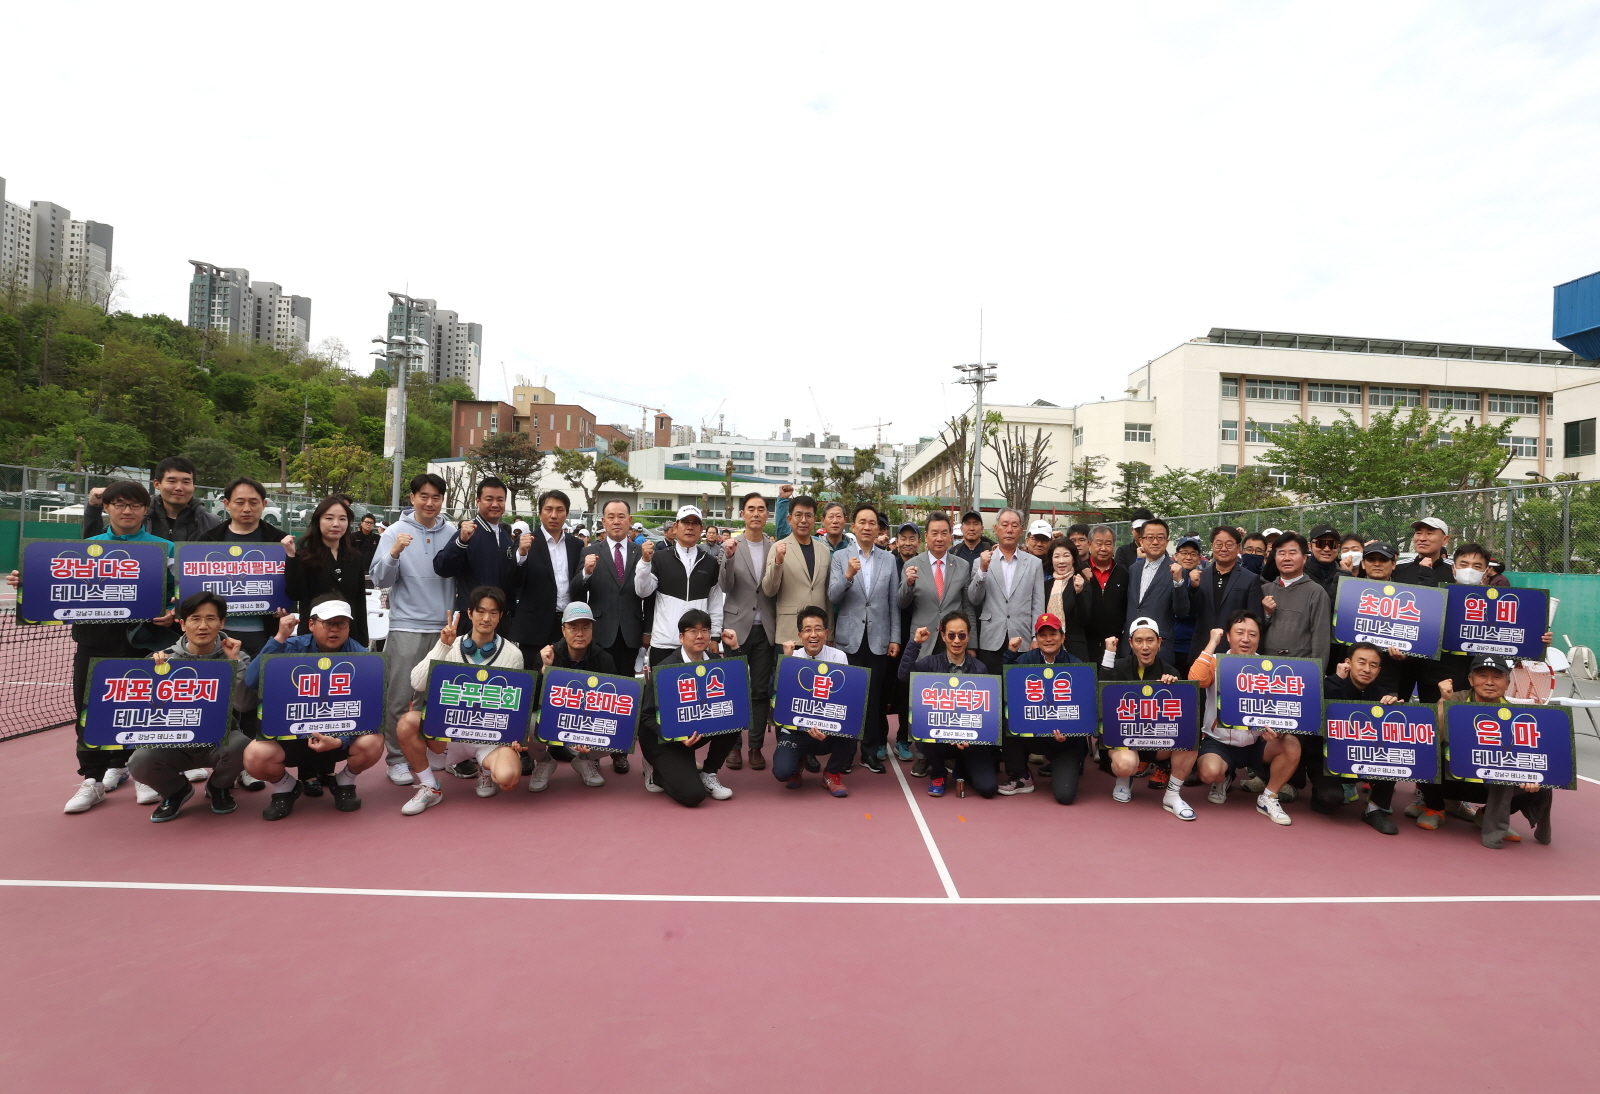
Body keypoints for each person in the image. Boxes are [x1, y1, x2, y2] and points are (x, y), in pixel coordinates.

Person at [9, 480, 178, 814]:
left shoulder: (164, 548)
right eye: (119, 504)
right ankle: (93, 780)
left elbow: (178, 592)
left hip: (142, 644)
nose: (126, 510)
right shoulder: (89, 547)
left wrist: (174, 612)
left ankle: (141, 770)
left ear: (145, 510)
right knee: (89, 709)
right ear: (106, 508)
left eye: (134, 505)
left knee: (142, 708)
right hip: (93, 642)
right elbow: (53, 584)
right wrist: (25, 580)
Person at [242, 597, 384, 820]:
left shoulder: (362, 658)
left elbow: (368, 713)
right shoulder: (289, 646)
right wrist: (279, 637)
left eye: (341, 623)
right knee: (254, 756)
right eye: (328, 623)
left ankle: (343, 783)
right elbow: (251, 680)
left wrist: (340, 741)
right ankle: (285, 788)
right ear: (311, 624)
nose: (334, 630)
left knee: (373, 740)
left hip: (336, 737)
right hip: (290, 738)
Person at [395, 586, 528, 813]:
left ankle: (486, 773)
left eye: (493, 613)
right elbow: (417, 683)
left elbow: (515, 705)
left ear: (500, 616)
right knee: (407, 722)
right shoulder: (452, 645)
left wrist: (515, 737)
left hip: (488, 736)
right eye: (481, 611)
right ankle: (430, 786)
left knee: (508, 779)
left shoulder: (512, 654)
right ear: (470, 613)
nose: (486, 618)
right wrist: (443, 646)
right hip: (448, 732)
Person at [125, 591, 252, 821]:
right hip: (173, 744)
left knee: (244, 747)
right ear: (182, 624)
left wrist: (234, 663)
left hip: (218, 742)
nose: (203, 626)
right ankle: (175, 791)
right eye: (195, 618)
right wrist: (153, 676)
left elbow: (244, 705)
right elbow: (143, 714)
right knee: (139, 761)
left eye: (210, 618)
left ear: (222, 622)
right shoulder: (162, 660)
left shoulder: (236, 655)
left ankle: (218, 787)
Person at [368, 473, 455, 786]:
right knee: (402, 696)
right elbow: (379, 579)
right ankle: (396, 759)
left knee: (439, 696)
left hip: (444, 628)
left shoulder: (454, 532)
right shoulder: (394, 532)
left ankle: (433, 751)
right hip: (407, 626)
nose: (430, 503)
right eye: (424, 496)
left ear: (443, 500)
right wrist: (394, 554)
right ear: (412, 497)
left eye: (436, 497)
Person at [1420, 655, 1553, 848]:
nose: (1489, 682)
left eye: (1497, 677)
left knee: (1540, 781)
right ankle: (1436, 807)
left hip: (1489, 787)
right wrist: (1443, 701)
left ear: (1507, 683)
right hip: (1450, 781)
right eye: (1482, 675)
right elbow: (1430, 739)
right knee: (1424, 754)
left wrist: (1530, 774)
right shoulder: (1455, 699)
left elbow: (1528, 756)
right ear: (1471, 680)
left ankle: (1487, 814)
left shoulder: (1519, 715)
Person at [1187, 612, 1299, 826]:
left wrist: (1278, 731)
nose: (1246, 639)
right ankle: (1224, 778)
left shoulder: (1270, 668)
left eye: (1252, 634)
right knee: (1209, 772)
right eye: (1239, 633)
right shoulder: (1215, 662)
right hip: (1219, 742)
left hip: (1258, 741)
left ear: (1259, 638)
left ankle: (1268, 798)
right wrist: (1212, 643)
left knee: (1291, 744)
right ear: (1228, 636)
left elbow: (1280, 710)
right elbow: (1195, 680)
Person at [637, 609, 740, 805]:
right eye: (693, 631)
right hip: (663, 739)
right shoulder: (665, 669)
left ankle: (708, 773)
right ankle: (655, 770)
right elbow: (646, 716)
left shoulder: (716, 662)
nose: (700, 636)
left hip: (695, 732)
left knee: (736, 715)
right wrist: (676, 735)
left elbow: (740, 690)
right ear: (681, 637)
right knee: (693, 796)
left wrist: (735, 649)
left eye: (705, 630)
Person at [573, 498, 644, 776]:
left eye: (621, 516)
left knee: (624, 696)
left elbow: (648, 596)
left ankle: (620, 751)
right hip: (599, 634)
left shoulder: (641, 552)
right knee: (597, 696)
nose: (616, 521)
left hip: (629, 633)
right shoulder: (590, 551)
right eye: (611, 516)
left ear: (629, 520)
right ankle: (591, 755)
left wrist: (646, 631)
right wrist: (586, 572)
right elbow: (576, 591)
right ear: (602, 521)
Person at [829, 503, 902, 773]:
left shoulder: (888, 559)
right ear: (853, 526)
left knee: (874, 699)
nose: (868, 527)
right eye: (862, 522)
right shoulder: (841, 557)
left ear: (878, 528)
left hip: (878, 639)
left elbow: (893, 602)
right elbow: (833, 596)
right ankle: (845, 752)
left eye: (873, 523)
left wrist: (894, 637)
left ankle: (869, 752)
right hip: (849, 639)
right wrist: (848, 575)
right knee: (847, 698)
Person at [1098, 618, 1195, 818]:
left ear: (1159, 642)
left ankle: (1173, 794)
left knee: (1190, 737)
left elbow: (1181, 718)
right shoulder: (1118, 667)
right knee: (1125, 765)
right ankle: (1125, 779)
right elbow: (1103, 699)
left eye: (1150, 640)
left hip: (1157, 743)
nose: (1145, 647)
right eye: (1139, 640)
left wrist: (1173, 689)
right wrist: (1109, 653)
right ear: (1130, 643)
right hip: (1125, 742)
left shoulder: (1172, 672)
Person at [898, 612, 998, 798]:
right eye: (951, 635)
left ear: (968, 636)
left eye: (962, 635)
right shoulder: (930, 664)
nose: (956, 640)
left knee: (988, 789)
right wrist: (915, 644)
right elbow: (904, 675)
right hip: (938, 739)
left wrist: (968, 737)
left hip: (970, 740)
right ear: (943, 636)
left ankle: (961, 768)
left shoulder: (980, 668)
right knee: (929, 723)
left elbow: (985, 715)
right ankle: (938, 774)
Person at [197, 476, 294, 658]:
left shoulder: (280, 542)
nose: (247, 508)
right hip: (219, 633)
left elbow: (294, 584)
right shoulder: (207, 541)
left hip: (266, 632)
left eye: (253, 502)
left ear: (264, 504)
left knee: (261, 683)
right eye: (239, 502)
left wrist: (287, 604)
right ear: (226, 504)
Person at [1311, 642, 1402, 834]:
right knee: (1329, 801)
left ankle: (1375, 809)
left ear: (1379, 669)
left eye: (1373, 665)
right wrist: (1336, 679)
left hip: (1362, 757)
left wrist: (1396, 711)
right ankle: (1324, 789)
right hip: (1327, 759)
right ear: (1348, 662)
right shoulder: (1331, 683)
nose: (1367, 669)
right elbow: (1322, 711)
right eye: (1361, 662)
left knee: (1395, 751)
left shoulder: (1382, 694)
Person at [528, 602, 619, 791]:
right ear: (563, 630)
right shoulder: (547, 654)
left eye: (585, 627)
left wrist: (589, 734)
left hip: (588, 720)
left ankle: (585, 760)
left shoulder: (605, 659)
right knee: (528, 723)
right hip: (554, 719)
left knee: (617, 729)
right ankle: (544, 762)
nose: (580, 633)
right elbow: (531, 701)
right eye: (573, 627)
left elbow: (612, 705)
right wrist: (545, 670)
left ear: (592, 628)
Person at [1000, 613, 1088, 802]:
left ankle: (1069, 764)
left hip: (1065, 740)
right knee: (1005, 718)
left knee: (1065, 796)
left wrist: (1071, 732)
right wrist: (1009, 655)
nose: (1048, 639)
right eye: (1042, 635)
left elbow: (1086, 710)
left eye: (1053, 634)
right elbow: (1007, 687)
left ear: (1063, 637)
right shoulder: (1025, 661)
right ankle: (1021, 774)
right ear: (1037, 639)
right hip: (1033, 735)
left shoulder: (1077, 666)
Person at [770, 605, 857, 796]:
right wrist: (786, 662)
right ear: (800, 635)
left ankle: (832, 773)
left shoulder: (838, 657)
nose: (813, 634)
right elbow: (775, 696)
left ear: (826, 633)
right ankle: (797, 765)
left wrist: (827, 727)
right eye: (807, 630)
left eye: (818, 629)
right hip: (796, 731)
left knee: (853, 727)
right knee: (782, 772)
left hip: (829, 730)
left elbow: (846, 699)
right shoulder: (791, 657)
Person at [717, 492, 776, 770]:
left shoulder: (774, 547)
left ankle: (754, 746)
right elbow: (726, 587)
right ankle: (733, 746)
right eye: (750, 509)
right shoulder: (731, 546)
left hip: (765, 628)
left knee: (760, 690)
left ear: (767, 515)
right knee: (733, 689)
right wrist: (727, 559)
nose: (756, 513)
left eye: (761, 509)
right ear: (743, 514)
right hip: (736, 629)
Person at [433, 477, 523, 637]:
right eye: (489, 499)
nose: (495, 504)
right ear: (478, 501)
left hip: (500, 620)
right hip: (473, 620)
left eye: (500, 499)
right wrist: (461, 541)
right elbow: (442, 567)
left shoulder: (504, 536)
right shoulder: (467, 533)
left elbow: (512, 580)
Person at [636, 505, 724, 665]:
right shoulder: (660, 558)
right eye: (685, 522)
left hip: (697, 645)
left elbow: (715, 603)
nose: (690, 527)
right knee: (659, 690)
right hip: (664, 642)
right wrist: (644, 562)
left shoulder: (710, 562)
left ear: (701, 529)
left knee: (694, 690)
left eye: (695, 523)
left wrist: (715, 637)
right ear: (675, 527)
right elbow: (642, 590)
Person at [968, 508, 1045, 675]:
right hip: (991, 637)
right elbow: (974, 599)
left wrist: (1035, 637)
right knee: (993, 689)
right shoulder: (981, 561)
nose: (1009, 530)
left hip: (1022, 637)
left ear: (1021, 530)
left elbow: (1038, 605)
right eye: (1004, 525)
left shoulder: (1034, 563)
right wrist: (982, 570)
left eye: (1014, 525)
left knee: (1021, 690)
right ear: (996, 529)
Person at [286, 495, 370, 647]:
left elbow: (359, 603)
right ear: (318, 521)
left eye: (342, 519)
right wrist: (291, 557)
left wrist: (362, 640)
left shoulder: (355, 557)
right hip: (313, 639)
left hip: (349, 637)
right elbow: (295, 593)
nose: (336, 524)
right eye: (329, 518)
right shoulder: (305, 556)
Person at [511, 489, 586, 657]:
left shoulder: (576, 545)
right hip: (534, 628)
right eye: (548, 509)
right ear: (539, 514)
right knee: (534, 679)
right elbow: (514, 581)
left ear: (566, 514)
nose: (554, 515)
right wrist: (522, 554)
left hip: (568, 624)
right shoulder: (526, 542)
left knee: (564, 680)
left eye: (560, 510)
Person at [81, 456, 220, 541]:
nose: (179, 487)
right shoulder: (138, 514)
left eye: (186, 482)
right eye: (171, 481)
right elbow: (94, 549)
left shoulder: (211, 522)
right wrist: (93, 508)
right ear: (157, 484)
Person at [761, 494, 831, 646]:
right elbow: (768, 590)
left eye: (808, 515)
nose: (803, 520)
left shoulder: (824, 551)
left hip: (818, 634)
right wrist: (778, 562)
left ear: (815, 519)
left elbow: (827, 594)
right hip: (789, 633)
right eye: (798, 515)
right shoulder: (778, 548)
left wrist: (829, 631)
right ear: (789, 519)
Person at [1260, 532, 1331, 665]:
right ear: (1274, 558)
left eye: (1292, 553)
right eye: (1281, 553)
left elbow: (1321, 640)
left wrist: (1316, 673)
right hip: (1266, 667)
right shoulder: (1265, 590)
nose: (1287, 558)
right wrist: (1267, 614)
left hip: (1300, 669)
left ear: (1304, 558)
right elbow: (1254, 632)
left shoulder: (1316, 592)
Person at [1123, 517, 1190, 646]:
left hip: (1159, 646)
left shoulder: (1176, 571)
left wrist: (1178, 582)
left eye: (1160, 538)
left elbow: (1182, 611)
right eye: (1149, 537)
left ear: (1167, 541)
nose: (1155, 542)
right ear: (1141, 541)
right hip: (1131, 645)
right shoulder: (1133, 569)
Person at [1079, 524, 1130, 652]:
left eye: (1108, 544)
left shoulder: (1123, 573)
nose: (1103, 548)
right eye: (1099, 543)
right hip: (1085, 642)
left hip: (1115, 642)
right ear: (1089, 545)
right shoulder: (1079, 570)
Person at [1041, 539, 1091, 661]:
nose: (1061, 561)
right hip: (1047, 649)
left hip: (1074, 650)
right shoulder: (1045, 586)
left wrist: (1078, 592)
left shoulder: (1082, 582)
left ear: (1073, 559)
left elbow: (1084, 619)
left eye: (1066, 556)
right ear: (1051, 560)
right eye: (1057, 556)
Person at [1169, 536, 1204, 672]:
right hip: (1171, 644)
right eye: (1184, 553)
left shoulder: (1203, 577)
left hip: (1194, 645)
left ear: (1199, 558)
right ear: (1176, 556)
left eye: (1193, 554)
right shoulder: (1167, 576)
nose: (1188, 557)